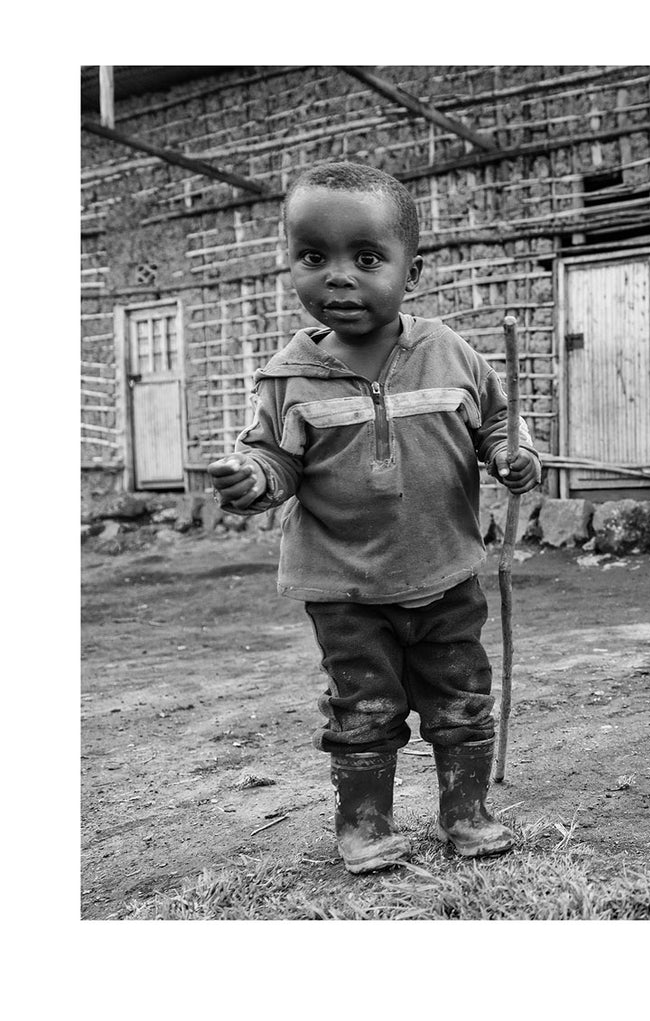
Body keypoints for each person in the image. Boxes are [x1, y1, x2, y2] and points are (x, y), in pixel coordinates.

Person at [206, 161, 541, 874]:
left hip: (445, 571)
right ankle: (364, 823)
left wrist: (513, 455)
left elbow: (497, 422)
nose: (338, 276)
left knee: (460, 696)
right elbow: (274, 461)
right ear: (289, 263)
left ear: (409, 272)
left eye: (365, 258)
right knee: (362, 708)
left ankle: (466, 813)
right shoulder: (287, 377)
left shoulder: (448, 352)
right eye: (312, 256)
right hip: (345, 588)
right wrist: (250, 479)